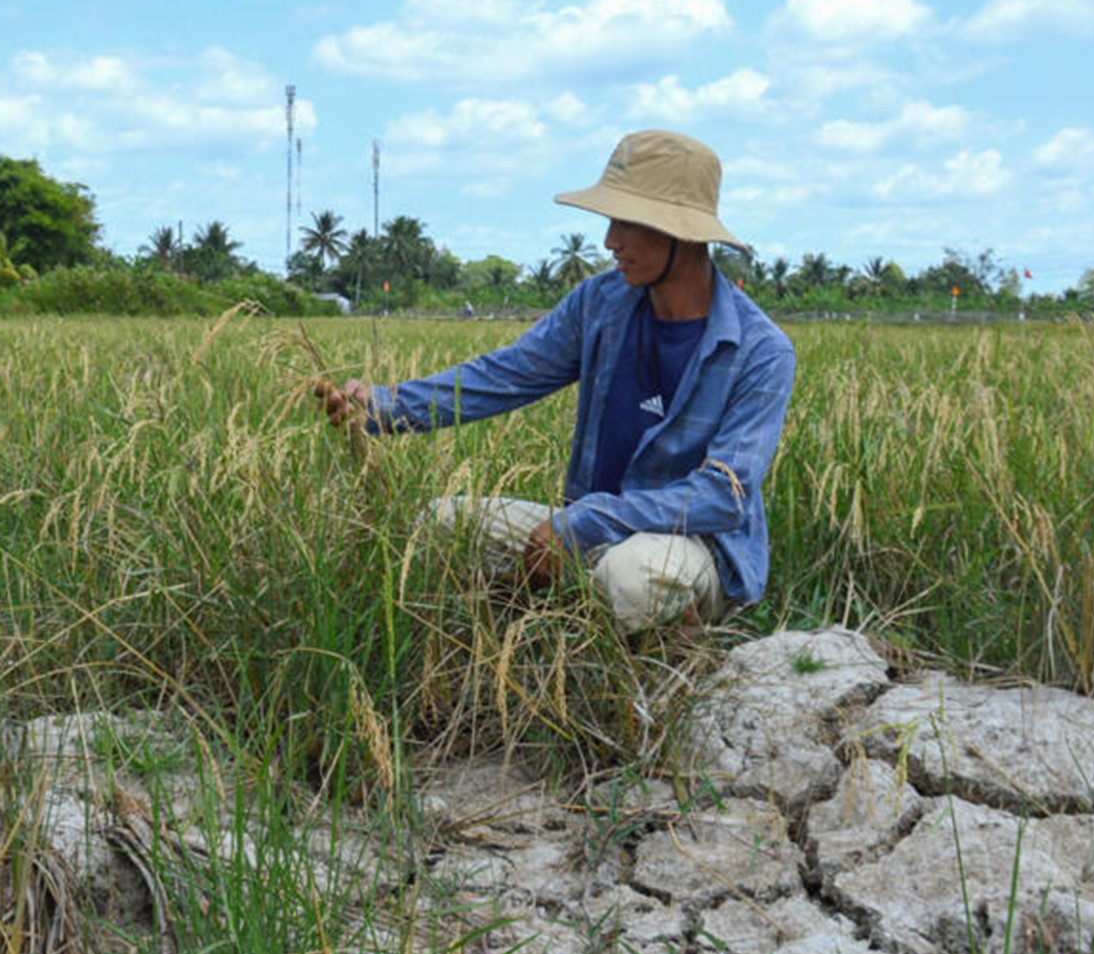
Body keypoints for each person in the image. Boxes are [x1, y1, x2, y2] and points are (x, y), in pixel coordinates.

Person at [314, 130, 795, 633]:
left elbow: (723, 495)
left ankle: (675, 640)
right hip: (586, 534)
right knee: (439, 525)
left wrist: (584, 523)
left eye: (628, 223)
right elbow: (504, 374)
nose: (611, 241)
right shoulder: (600, 304)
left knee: (631, 576)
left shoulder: (760, 352)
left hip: (687, 547)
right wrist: (387, 407)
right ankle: (557, 614)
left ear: (681, 234)